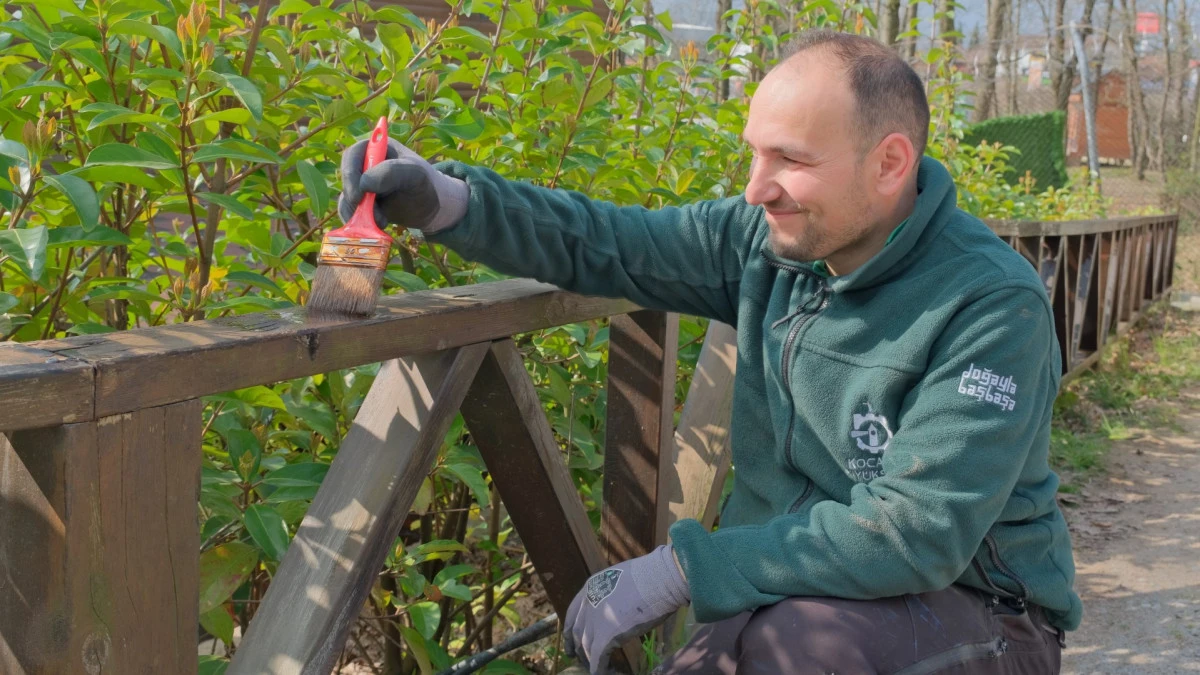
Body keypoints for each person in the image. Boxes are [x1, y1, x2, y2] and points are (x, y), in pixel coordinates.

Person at [337, 29, 1080, 675]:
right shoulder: (765, 241)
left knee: (790, 650)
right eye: (753, 155)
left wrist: (682, 565)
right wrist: (447, 200)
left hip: (982, 616)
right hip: (789, 597)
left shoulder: (989, 305)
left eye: (789, 159)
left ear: (890, 163)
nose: (757, 188)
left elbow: (916, 533)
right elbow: (610, 243)